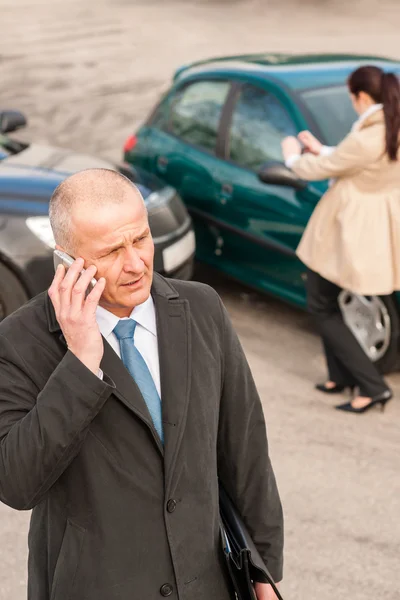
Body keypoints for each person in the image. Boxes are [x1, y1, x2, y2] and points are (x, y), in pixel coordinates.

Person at [0, 169, 283, 600]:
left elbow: (245, 453)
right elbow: (17, 484)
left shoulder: (202, 308)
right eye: (112, 250)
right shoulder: (19, 342)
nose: (135, 263)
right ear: (65, 259)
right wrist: (80, 362)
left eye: (141, 239)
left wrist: (263, 570)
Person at [281, 65, 400, 414]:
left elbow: (318, 169)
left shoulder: (368, 136)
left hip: (347, 229)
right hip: (372, 226)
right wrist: (322, 149)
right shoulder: (391, 128)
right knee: (329, 300)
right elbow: (355, 159)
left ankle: (372, 387)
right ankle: (339, 376)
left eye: (352, 98)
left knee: (321, 305)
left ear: (362, 96)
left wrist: (292, 154)